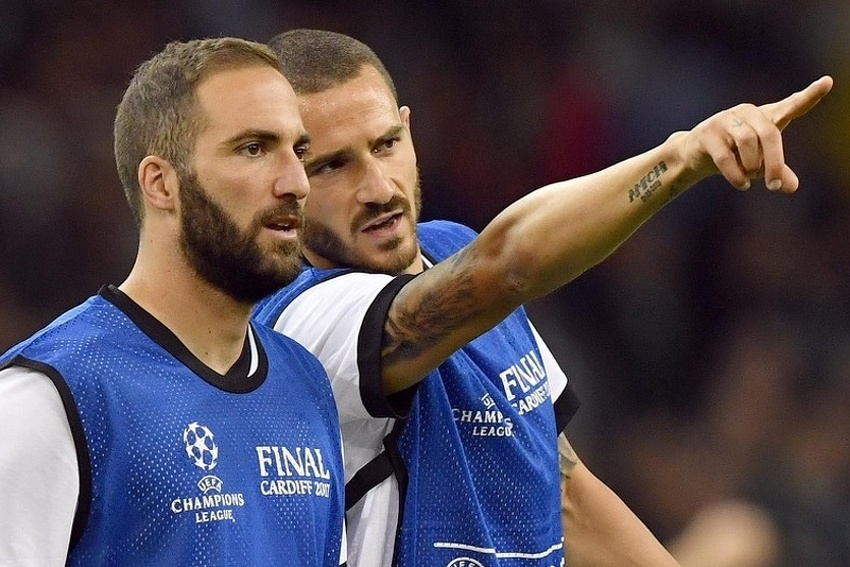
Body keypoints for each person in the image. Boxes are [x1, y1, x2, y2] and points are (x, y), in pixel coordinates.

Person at [254, 29, 832, 567]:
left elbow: (561, 491)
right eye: (332, 165)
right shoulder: (298, 319)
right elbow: (508, 265)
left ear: (409, 128)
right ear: (285, 182)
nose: (378, 188)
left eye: (385, 144)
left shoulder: (453, 248)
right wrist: (681, 158)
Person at [0, 37, 346, 566]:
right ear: (161, 183)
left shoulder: (305, 383)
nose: (296, 182)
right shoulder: (50, 396)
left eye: (298, 151)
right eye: (254, 148)